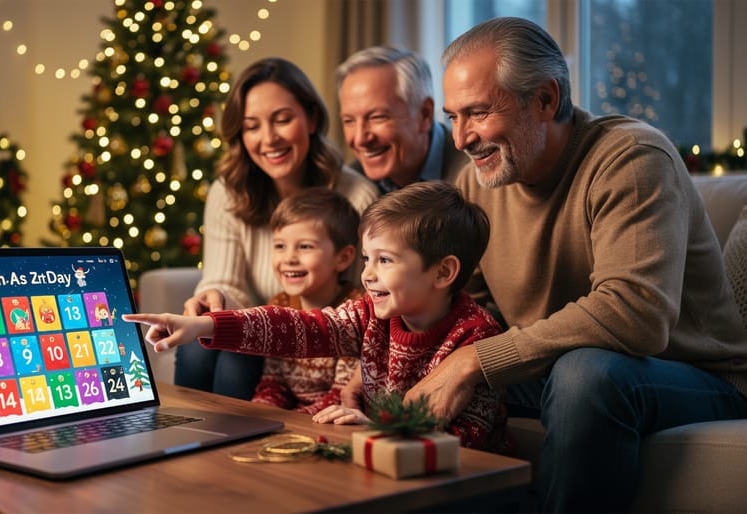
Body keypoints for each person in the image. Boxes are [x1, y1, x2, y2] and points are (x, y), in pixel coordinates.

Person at [396, 17, 747, 513]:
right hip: (557, 368)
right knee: (411, 378)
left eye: (477, 113)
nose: (459, 139)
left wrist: (476, 360)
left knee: (583, 373)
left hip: (693, 376)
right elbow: (467, 309)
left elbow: (637, 315)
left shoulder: (630, 158)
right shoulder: (478, 184)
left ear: (545, 99)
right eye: (453, 117)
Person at [125, 181, 513, 453]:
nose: (368, 274)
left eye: (385, 260)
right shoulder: (370, 315)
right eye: (367, 259)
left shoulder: (475, 337)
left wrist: (378, 433)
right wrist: (204, 325)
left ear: (443, 272)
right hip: (385, 459)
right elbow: (298, 328)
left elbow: (468, 442)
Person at [174, 57, 380, 400]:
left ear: (311, 118)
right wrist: (216, 297)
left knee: (236, 359)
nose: (268, 139)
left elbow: (366, 299)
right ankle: (182, 441)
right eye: (252, 125)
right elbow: (224, 281)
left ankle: (232, 448)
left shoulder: (356, 196)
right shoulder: (228, 192)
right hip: (253, 331)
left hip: (322, 341)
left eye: (282, 120)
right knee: (199, 346)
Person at [250, 187, 364, 415]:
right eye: (280, 246)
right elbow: (274, 384)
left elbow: (341, 396)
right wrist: (259, 414)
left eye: (305, 247)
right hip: (295, 418)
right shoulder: (279, 305)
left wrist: (290, 420)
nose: (289, 258)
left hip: (334, 419)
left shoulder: (356, 312)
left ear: (342, 258)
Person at [335, 46, 468, 193]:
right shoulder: (351, 189)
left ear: (425, 115)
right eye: (349, 121)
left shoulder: (473, 175)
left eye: (376, 117)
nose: (360, 139)